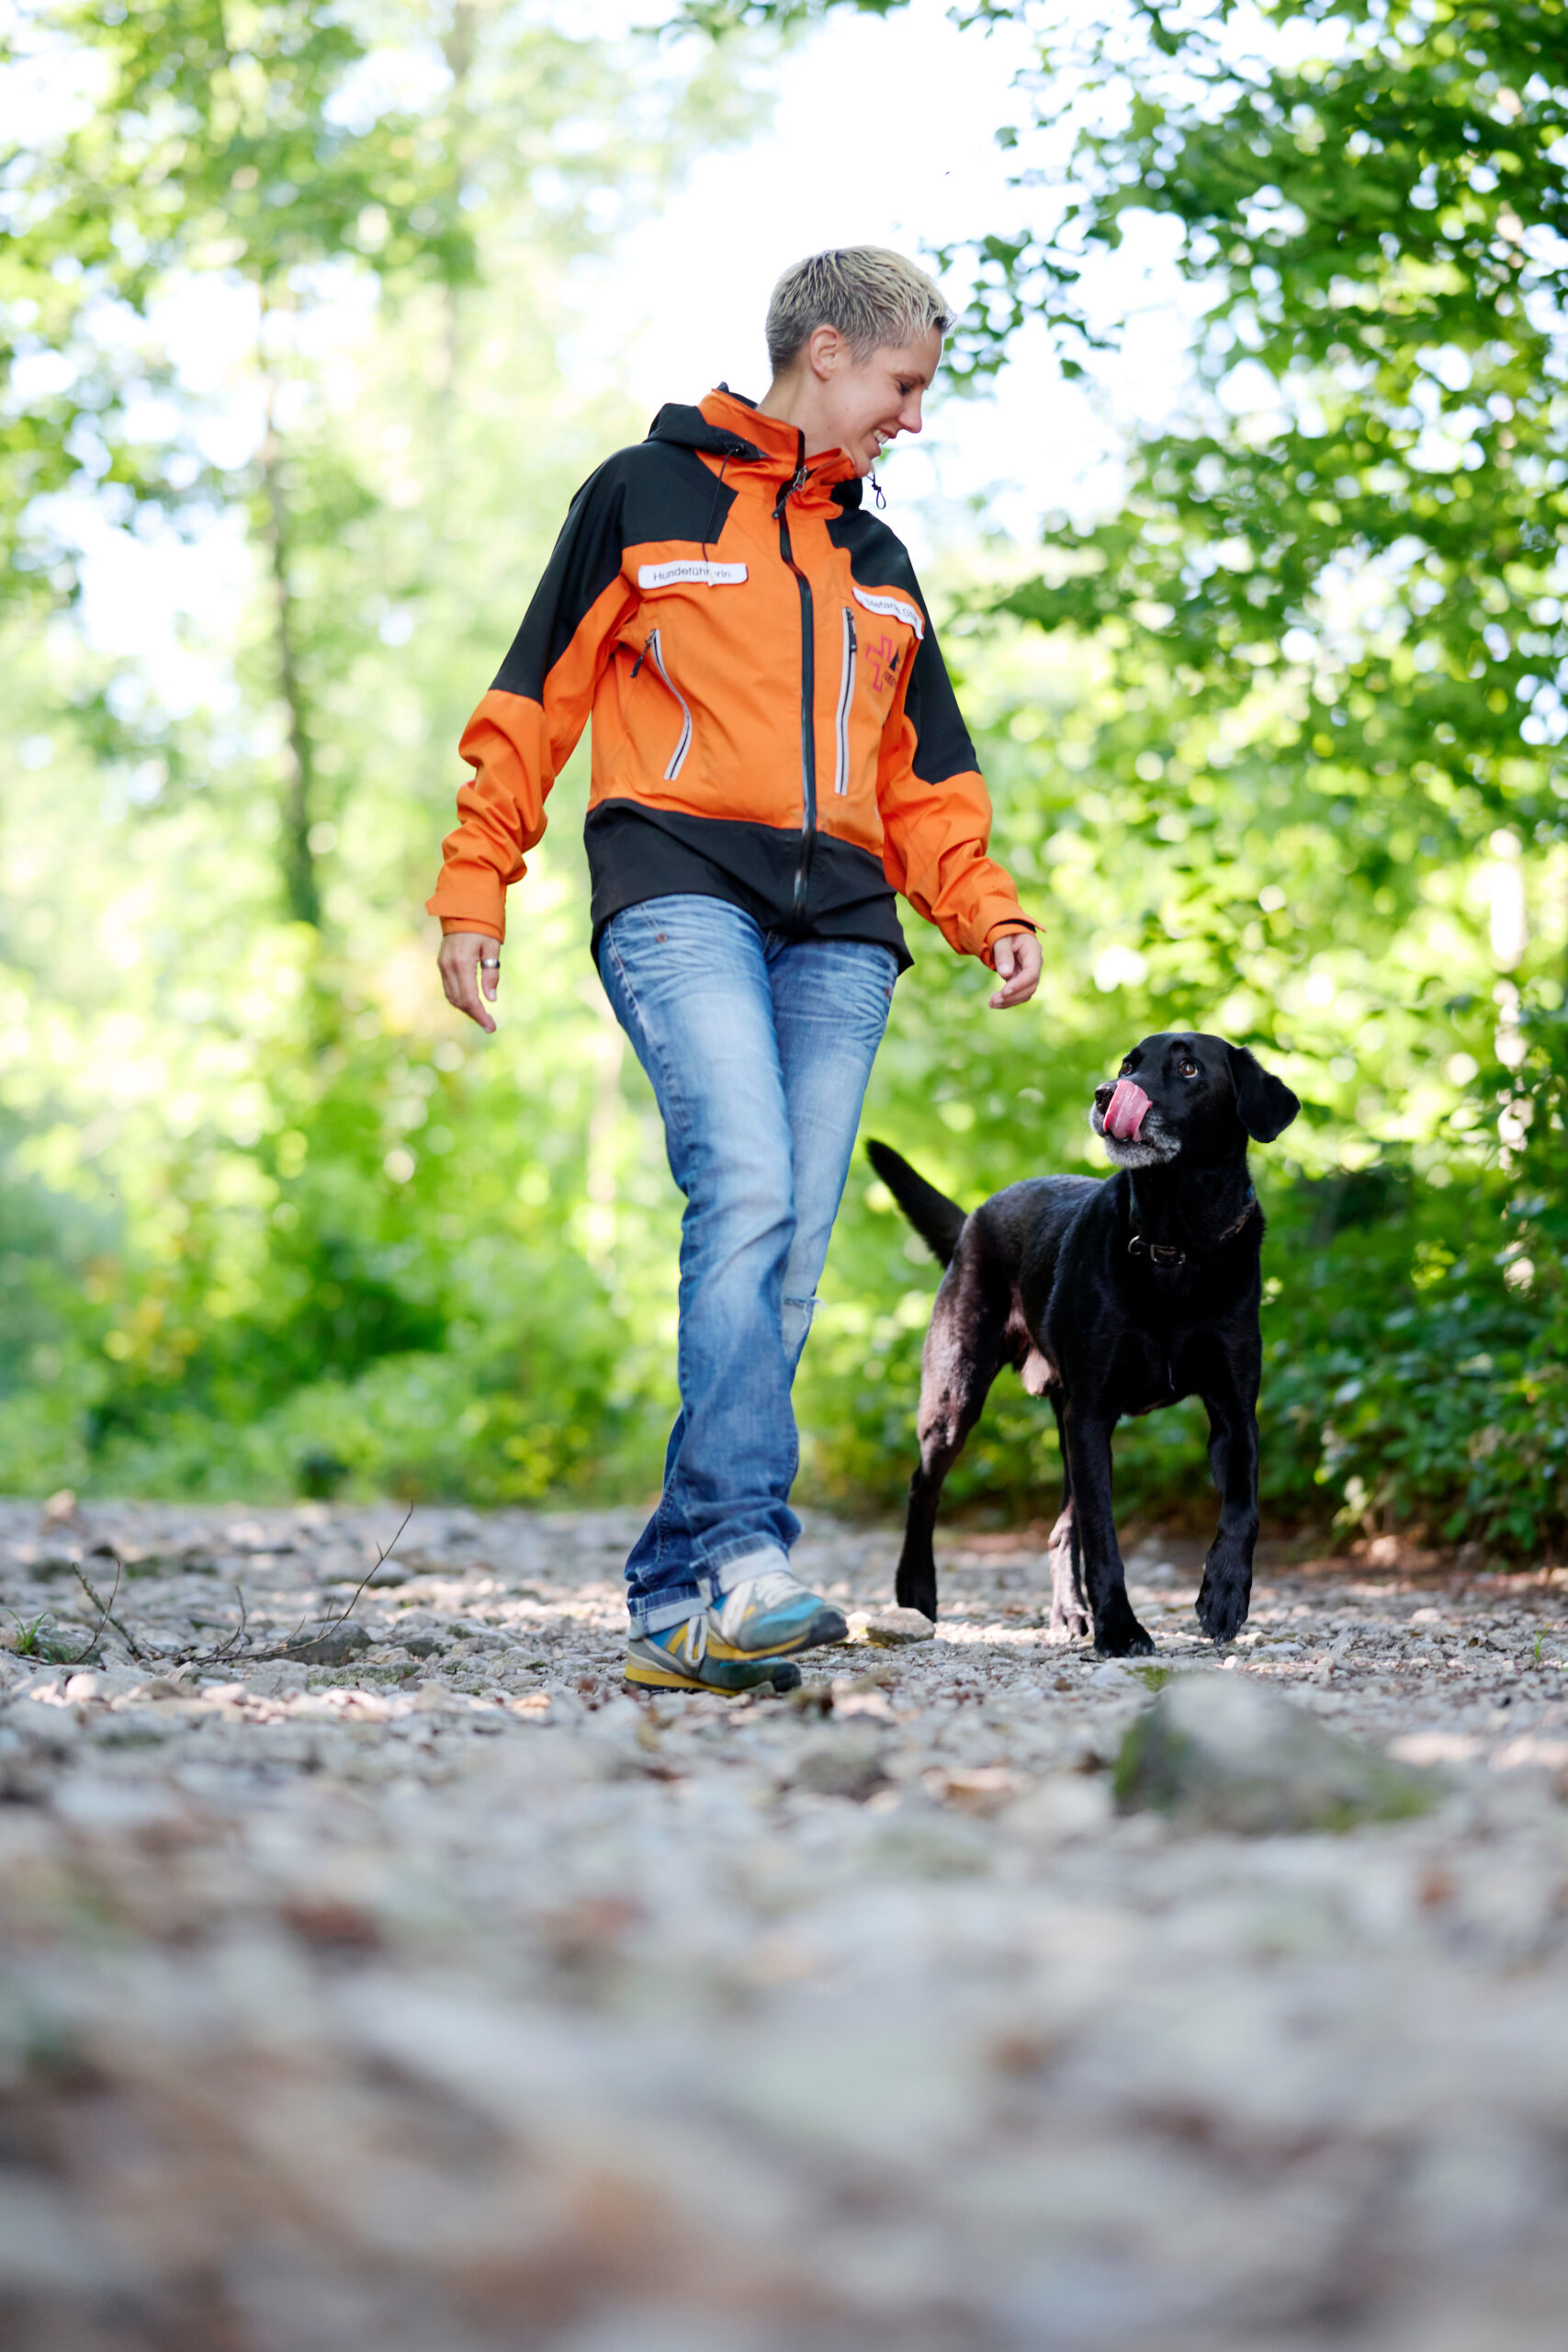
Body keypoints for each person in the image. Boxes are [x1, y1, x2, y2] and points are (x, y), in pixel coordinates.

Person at [430, 246, 1041, 1695]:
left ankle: (678, 1601)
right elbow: (534, 697)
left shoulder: (878, 562)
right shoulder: (642, 495)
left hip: (845, 926)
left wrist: (984, 907)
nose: (913, 417)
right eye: (903, 384)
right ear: (827, 351)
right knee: (749, 1187)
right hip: (678, 884)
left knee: (792, 1251)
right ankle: (747, 1559)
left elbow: (927, 776)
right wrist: (477, 878)